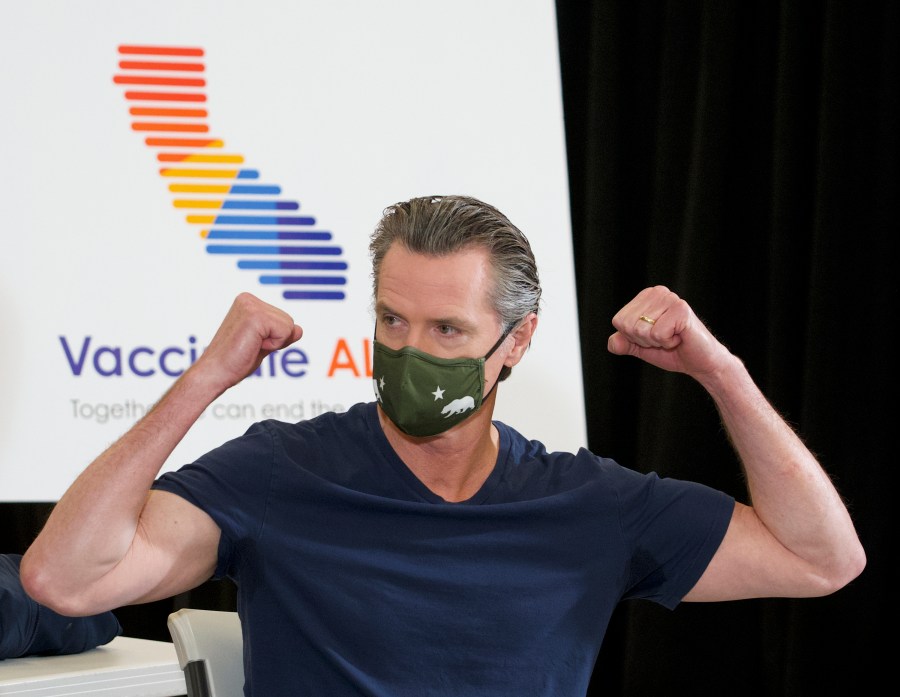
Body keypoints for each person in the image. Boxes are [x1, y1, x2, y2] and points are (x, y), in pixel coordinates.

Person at [21, 195, 864, 696]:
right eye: (393, 319)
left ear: (517, 341)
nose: (411, 350)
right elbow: (64, 576)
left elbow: (820, 558)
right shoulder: (281, 470)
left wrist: (722, 373)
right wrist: (204, 379)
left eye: (448, 328)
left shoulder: (589, 503)